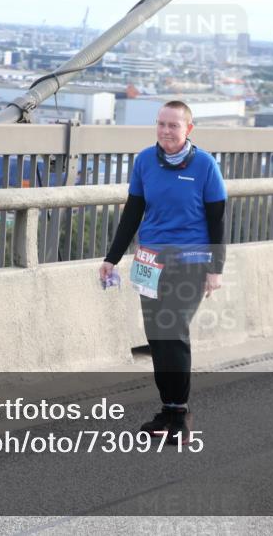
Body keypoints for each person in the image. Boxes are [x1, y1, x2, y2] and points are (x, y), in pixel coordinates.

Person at [99, 100, 227, 444]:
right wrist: (112, 258)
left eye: (174, 125)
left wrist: (215, 269)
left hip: (191, 260)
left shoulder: (204, 164)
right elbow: (133, 213)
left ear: (189, 129)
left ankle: (180, 414)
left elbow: (217, 219)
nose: (166, 131)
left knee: (173, 331)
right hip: (149, 260)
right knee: (156, 335)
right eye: (161, 124)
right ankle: (168, 410)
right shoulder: (144, 160)